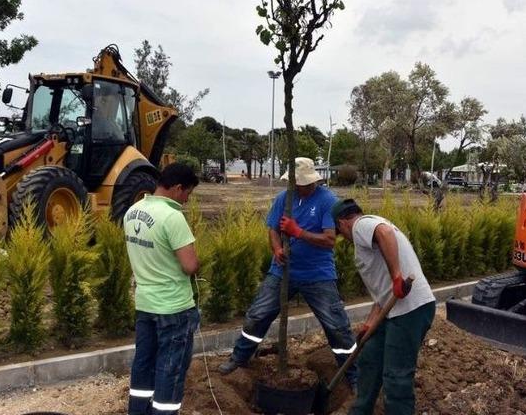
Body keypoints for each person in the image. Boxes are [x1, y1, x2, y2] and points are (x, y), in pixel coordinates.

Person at [218, 157, 358, 388]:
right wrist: (277, 248)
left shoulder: (328, 201)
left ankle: (352, 373)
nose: (293, 186)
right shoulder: (284, 198)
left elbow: (329, 240)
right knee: (258, 314)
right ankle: (239, 357)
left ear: (310, 181)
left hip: (318, 274)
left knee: (336, 325)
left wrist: (298, 232)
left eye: (297, 182)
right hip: (283, 271)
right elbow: (273, 229)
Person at [331, 198, 436, 415]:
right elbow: (383, 294)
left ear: (342, 223)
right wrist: (370, 323)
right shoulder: (365, 232)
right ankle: (360, 411)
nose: (345, 238)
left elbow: (384, 232)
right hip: (392, 311)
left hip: (411, 310)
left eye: (341, 233)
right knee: (370, 359)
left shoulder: (361, 224)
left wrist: (397, 275)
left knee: (396, 375)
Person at [123, 163, 201, 415]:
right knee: (171, 370)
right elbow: (189, 265)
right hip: (173, 308)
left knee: (143, 365)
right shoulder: (172, 217)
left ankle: (137, 411)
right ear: (178, 188)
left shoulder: (132, 211)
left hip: (145, 303)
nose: (187, 200)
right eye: (188, 193)